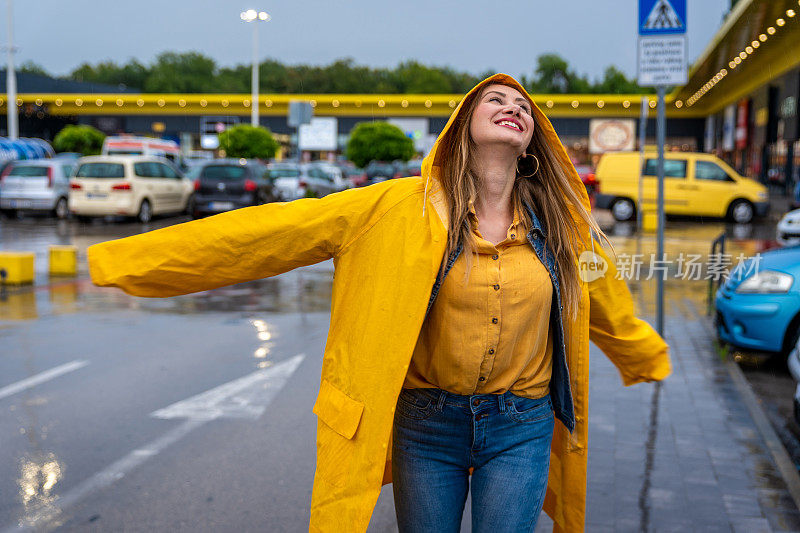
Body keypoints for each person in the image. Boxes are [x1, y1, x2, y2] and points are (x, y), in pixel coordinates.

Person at [88, 73, 671, 532]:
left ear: (533, 141)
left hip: (521, 425)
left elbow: (609, 302)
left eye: (523, 105)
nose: (512, 105)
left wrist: (645, 356)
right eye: (493, 98)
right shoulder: (392, 210)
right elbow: (267, 235)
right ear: (461, 125)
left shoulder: (567, 229)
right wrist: (125, 263)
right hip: (427, 423)